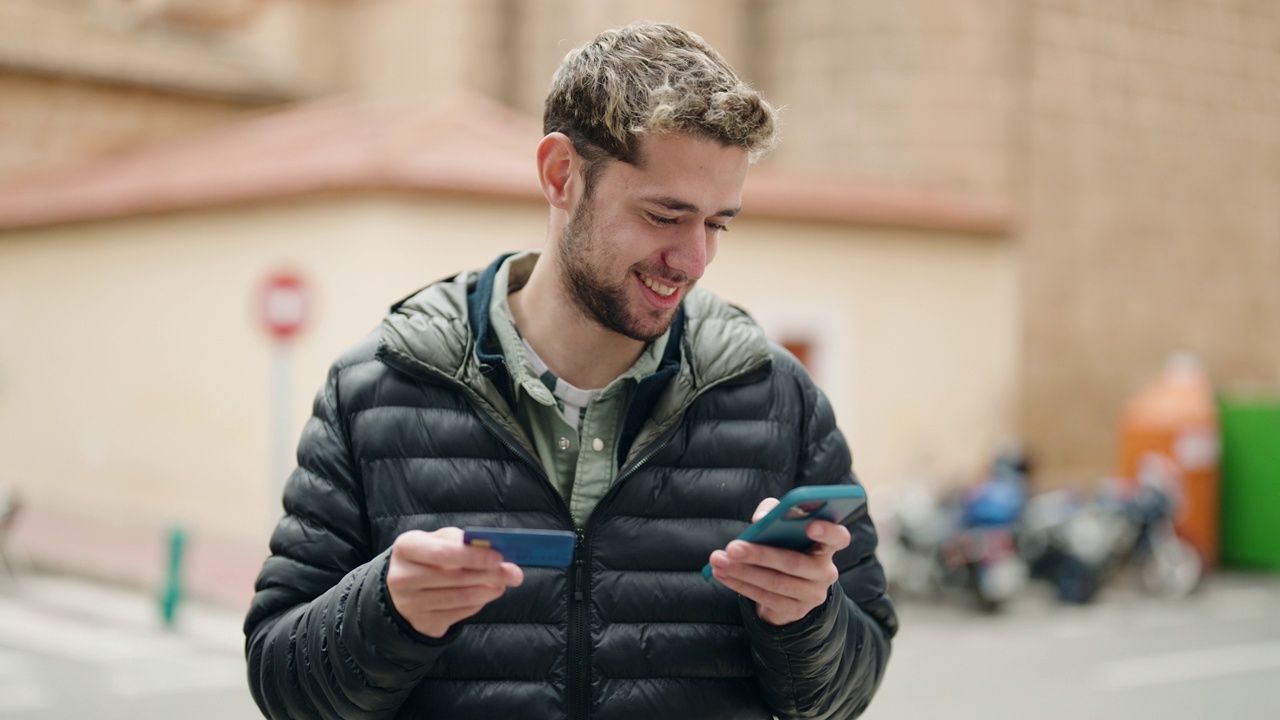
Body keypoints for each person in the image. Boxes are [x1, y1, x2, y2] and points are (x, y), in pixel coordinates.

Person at [245, 20, 897, 720]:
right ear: (562, 175)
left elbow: (845, 692)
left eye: (716, 223)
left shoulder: (777, 398)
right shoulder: (376, 387)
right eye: (664, 214)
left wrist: (803, 620)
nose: (694, 259)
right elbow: (283, 685)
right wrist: (388, 610)